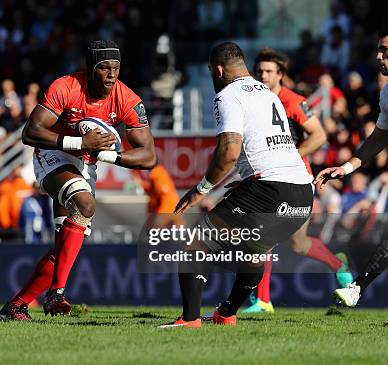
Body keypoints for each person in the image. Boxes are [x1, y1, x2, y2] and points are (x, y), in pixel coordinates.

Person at [0, 40, 157, 320]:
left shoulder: (127, 98)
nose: (111, 75)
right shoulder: (66, 87)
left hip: (88, 162)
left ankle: (16, 305)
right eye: (104, 68)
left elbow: (148, 156)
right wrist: (79, 142)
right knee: (85, 204)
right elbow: (31, 132)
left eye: (116, 68)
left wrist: (107, 155)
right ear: (90, 68)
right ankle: (56, 294)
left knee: (65, 245)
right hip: (54, 154)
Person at [160, 42, 314, 328]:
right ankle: (227, 313)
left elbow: (229, 153)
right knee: (253, 251)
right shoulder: (267, 93)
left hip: (270, 189)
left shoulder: (228, 95)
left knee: (197, 244)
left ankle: (190, 319)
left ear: (218, 70)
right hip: (303, 194)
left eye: (210, 72)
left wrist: (201, 189)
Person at [242, 48, 352, 314]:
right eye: (259, 71)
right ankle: (264, 300)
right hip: (267, 179)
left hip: (296, 180)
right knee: (262, 237)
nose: (263, 76)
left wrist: (290, 154)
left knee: (298, 245)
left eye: (268, 71)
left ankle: (338, 265)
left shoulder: (292, 101)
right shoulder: (253, 101)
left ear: (280, 74)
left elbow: (319, 136)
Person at [315, 27, 388, 307]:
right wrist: (345, 168)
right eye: (379, 50)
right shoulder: (387, 94)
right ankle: (357, 287)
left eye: (386, 51)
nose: (380, 56)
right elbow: (379, 138)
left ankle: (358, 287)